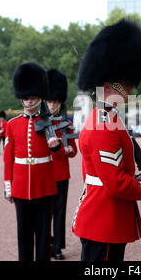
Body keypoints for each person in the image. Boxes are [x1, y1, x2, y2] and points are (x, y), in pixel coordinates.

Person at [72, 19, 141, 261]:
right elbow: (116, 184)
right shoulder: (104, 124)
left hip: (106, 218)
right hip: (103, 220)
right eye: (124, 85)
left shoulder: (106, 118)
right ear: (108, 85)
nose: (130, 90)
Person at [3, 62, 59, 261]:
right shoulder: (12, 124)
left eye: (32, 97)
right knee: (23, 233)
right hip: (20, 186)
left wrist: (56, 147)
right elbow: (8, 157)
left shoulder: (49, 123)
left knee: (43, 234)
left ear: (39, 97)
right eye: (25, 98)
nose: (28, 101)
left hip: (43, 185)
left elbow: (61, 156)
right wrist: (8, 186)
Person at [45, 68, 78, 260]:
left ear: (60, 103)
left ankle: (57, 247)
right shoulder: (40, 124)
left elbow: (73, 150)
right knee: (44, 213)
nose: (51, 105)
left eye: (54, 102)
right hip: (45, 173)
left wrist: (68, 150)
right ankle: (45, 243)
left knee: (59, 212)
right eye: (49, 101)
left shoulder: (67, 125)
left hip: (61, 174)